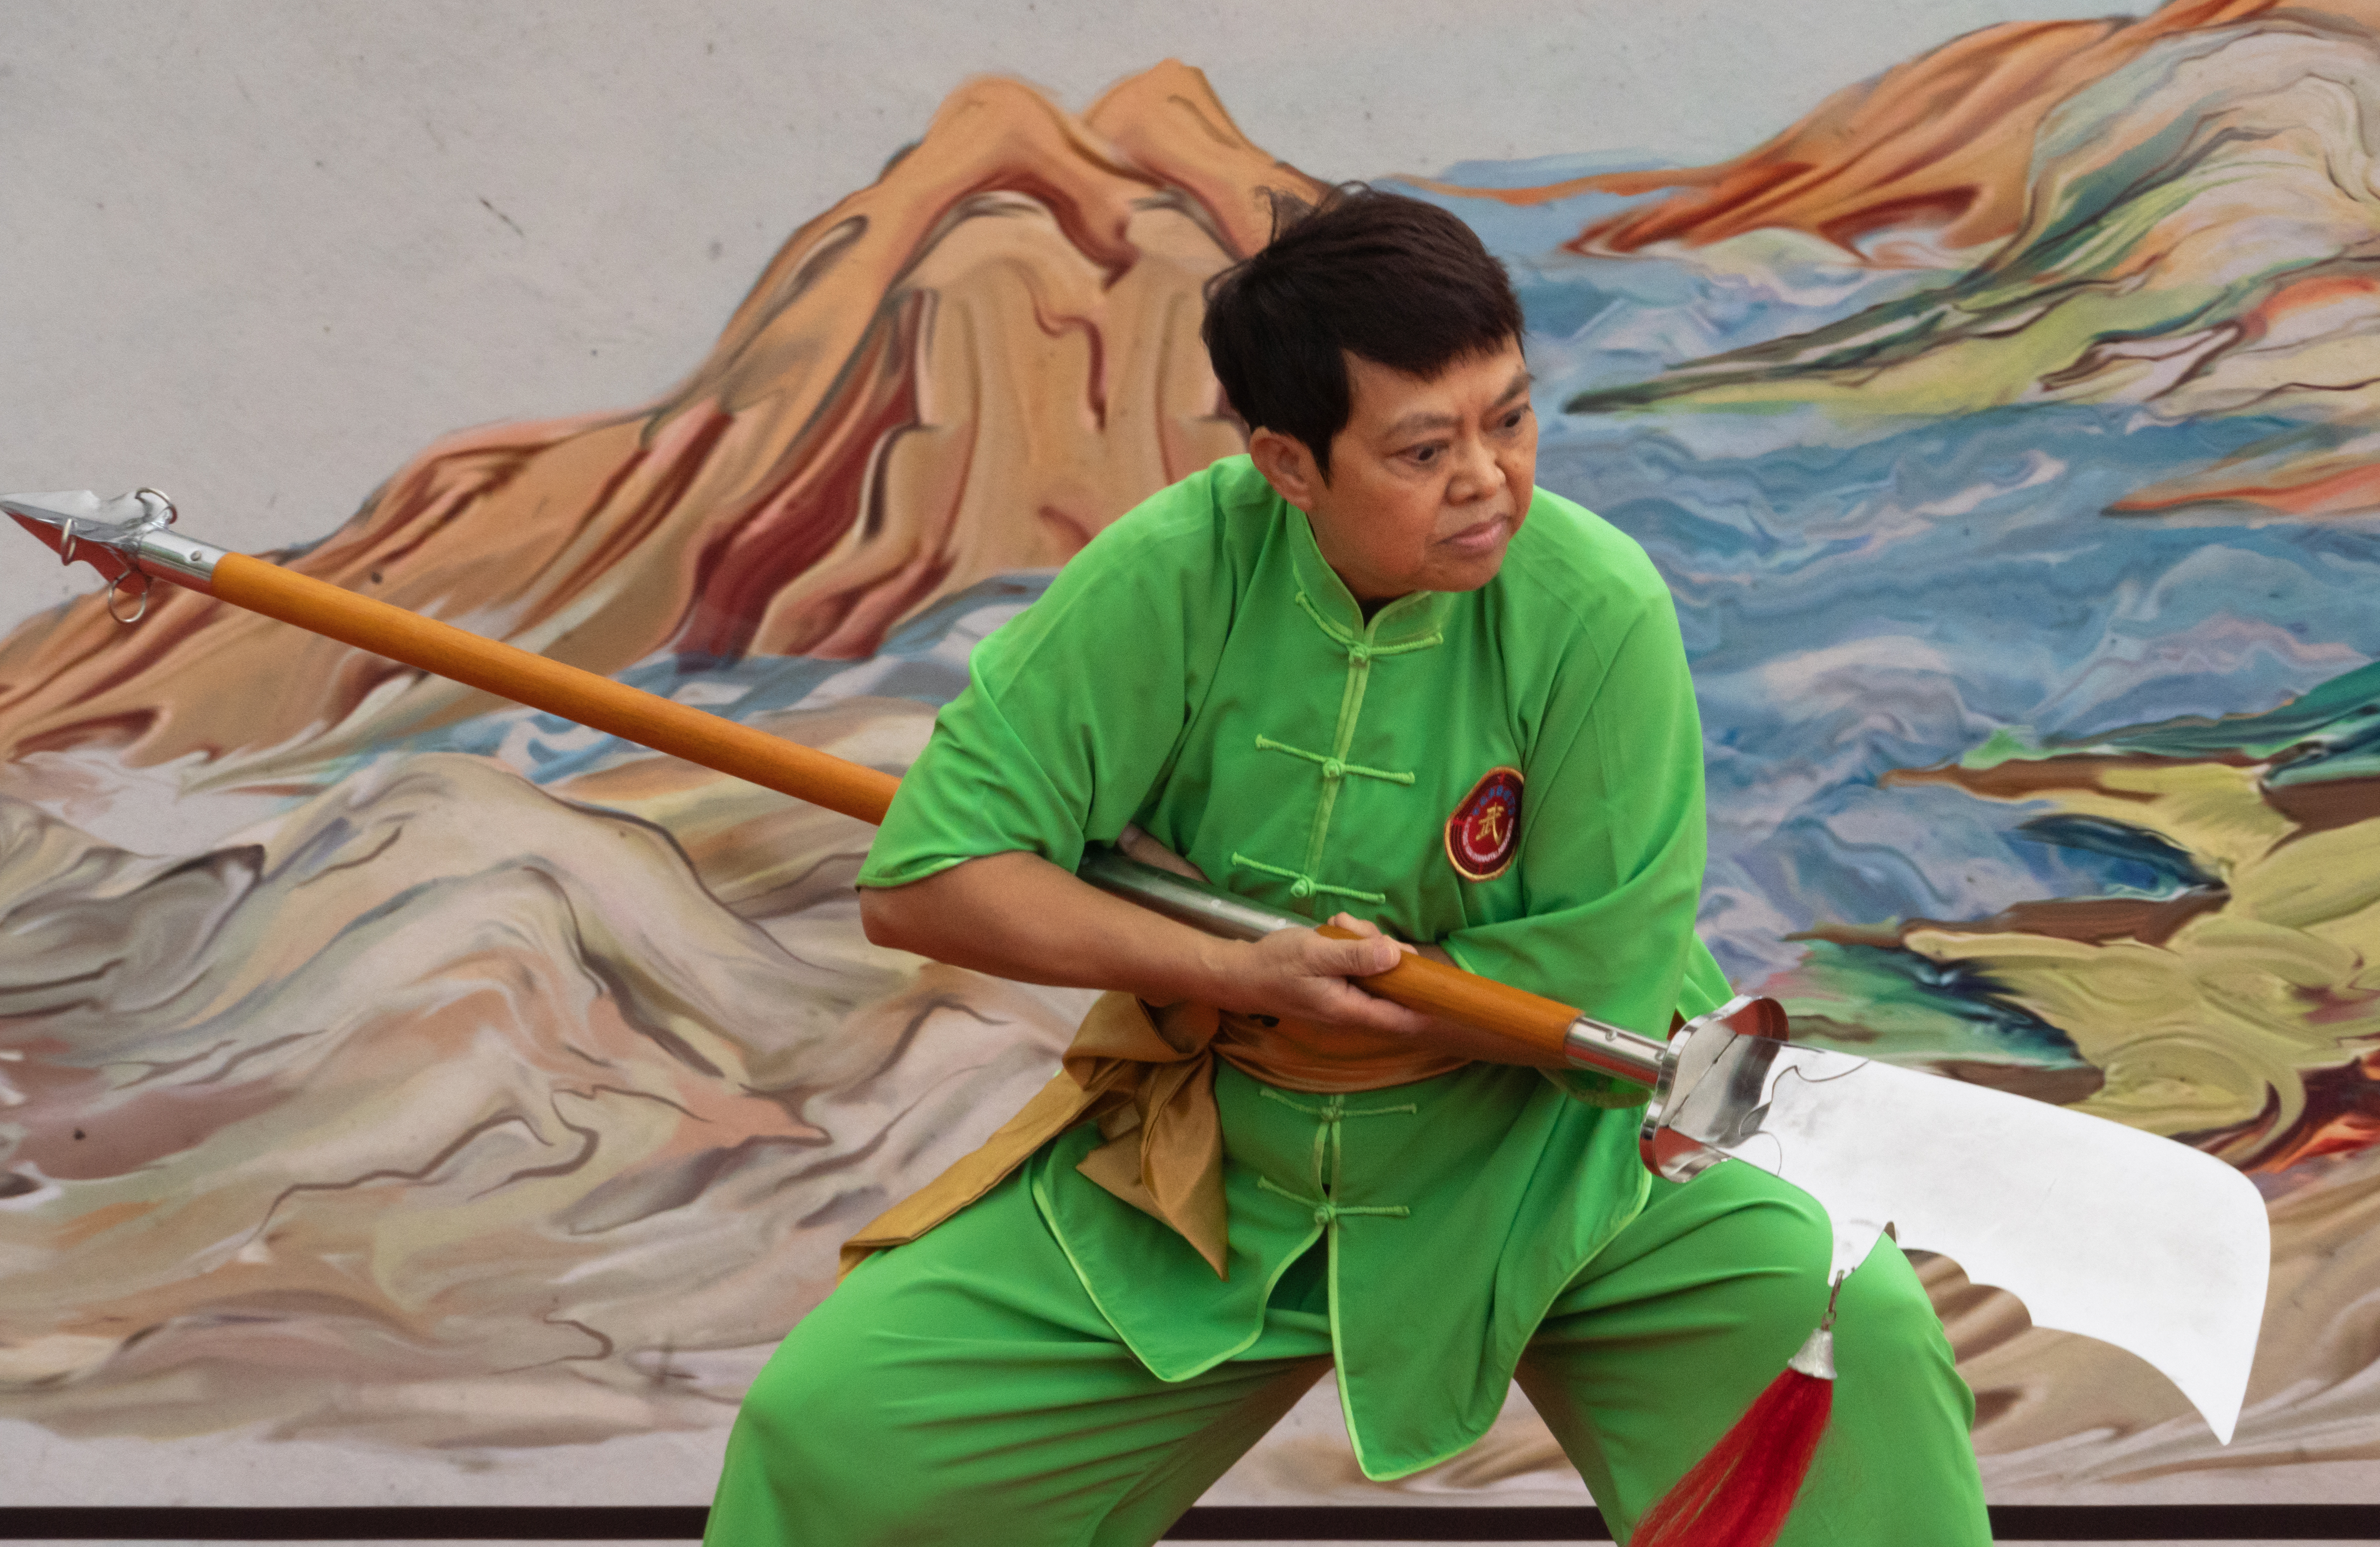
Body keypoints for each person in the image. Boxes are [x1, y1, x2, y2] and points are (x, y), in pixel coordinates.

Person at [703, 187, 1989, 1546]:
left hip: (1558, 1142)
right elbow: (930, 878)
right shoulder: (1168, 574)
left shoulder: (1596, 606)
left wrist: (1347, 1007)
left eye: (1509, 417)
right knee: (838, 1427)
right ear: (1286, 461)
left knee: (1860, 1329)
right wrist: (1227, 971)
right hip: (1223, 1150)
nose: (1488, 478)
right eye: (1422, 448)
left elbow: (1595, 972)